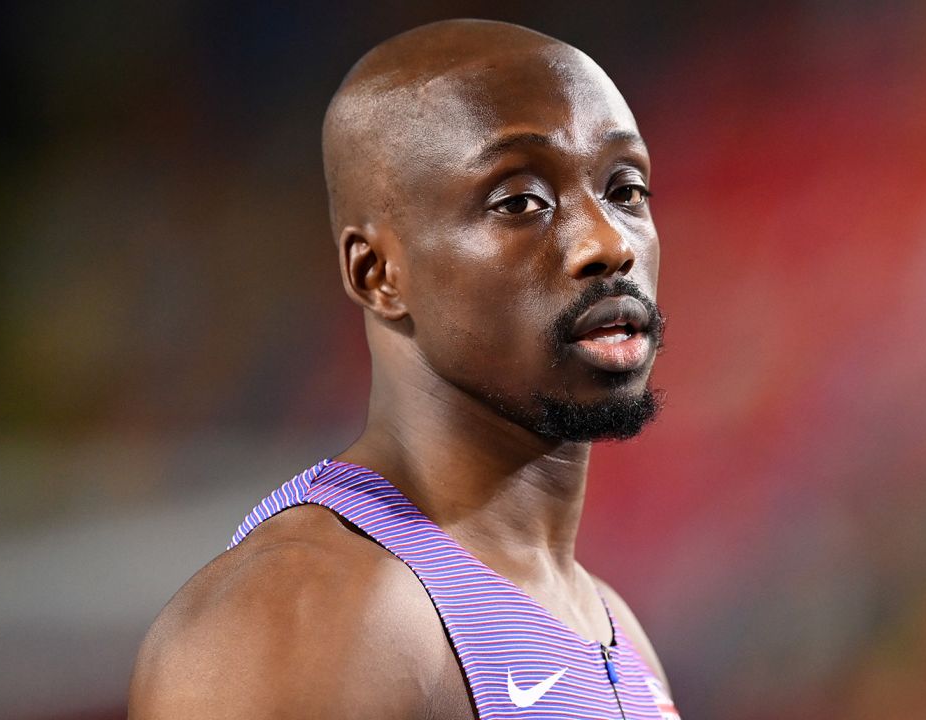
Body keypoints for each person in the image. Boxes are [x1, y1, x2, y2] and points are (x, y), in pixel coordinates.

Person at [129, 18, 680, 720]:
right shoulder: (300, 619)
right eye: (520, 202)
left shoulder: (616, 632)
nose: (608, 243)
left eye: (625, 189)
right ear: (378, 273)